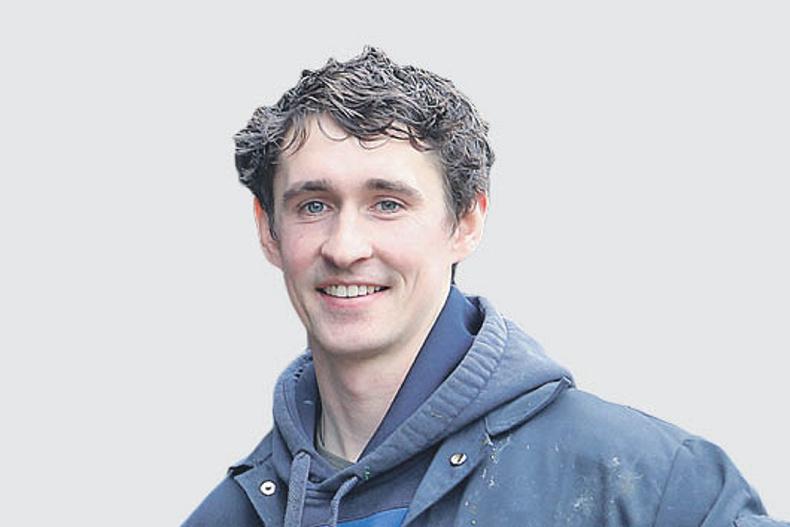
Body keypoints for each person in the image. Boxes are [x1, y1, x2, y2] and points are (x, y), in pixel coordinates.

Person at [183, 47, 786, 527]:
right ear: (268, 231)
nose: (345, 247)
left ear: (466, 223)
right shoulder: (231, 516)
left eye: (387, 203)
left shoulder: (650, 488)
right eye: (313, 205)